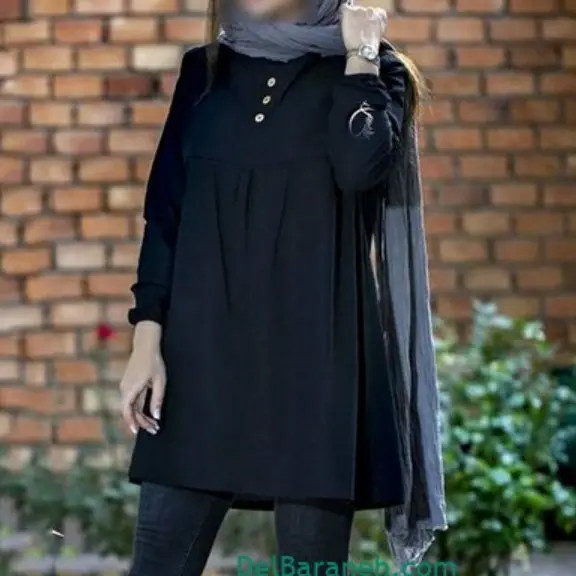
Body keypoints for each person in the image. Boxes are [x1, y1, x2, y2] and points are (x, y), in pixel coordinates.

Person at [120, 0, 447, 574]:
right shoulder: (205, 71)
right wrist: (146, 342)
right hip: (201, 361)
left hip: (316, 367)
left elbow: (360, 169)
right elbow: (166, 214)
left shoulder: (375, 71)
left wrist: (361, 56)